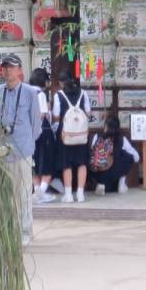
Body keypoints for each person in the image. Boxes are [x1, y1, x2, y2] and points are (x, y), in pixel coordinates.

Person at [0, 53, 39, 245]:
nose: (7, 71)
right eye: (4, 67)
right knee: (8, 193)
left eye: (11, 67)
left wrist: (28, 144)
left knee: (24, 192)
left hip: (23, 149)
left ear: (20, 70)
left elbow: (36, 125)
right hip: (3, 150)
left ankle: (26, 231)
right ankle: (11, 230)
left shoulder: (30, 92)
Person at [56, 75, 94, 203]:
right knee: (82, 163)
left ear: (63, 83)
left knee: (66, 164)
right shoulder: (84, 94)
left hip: (66, 135)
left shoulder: (59, 95)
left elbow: (56, 115)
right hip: (81, 134)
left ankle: (68, 195)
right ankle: (80, 193)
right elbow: (88, 113)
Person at [29, 68, 61, 203]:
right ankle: (40, 194)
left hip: (30, 133)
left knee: (34, 163)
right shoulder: (40, 94)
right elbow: (42, 114)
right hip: (43, 132)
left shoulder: (27, 92)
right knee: (47, 163)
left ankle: (37, 192)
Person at [88, 113, 140, 194]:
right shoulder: (122, 139)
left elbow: (92, 154)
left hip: (98, 173)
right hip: (116, 174)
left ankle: (101, 184)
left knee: (93, 156)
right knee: (128, 156)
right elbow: (136, 157)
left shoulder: (97, 136)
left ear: (105, 126)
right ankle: (121, 182)